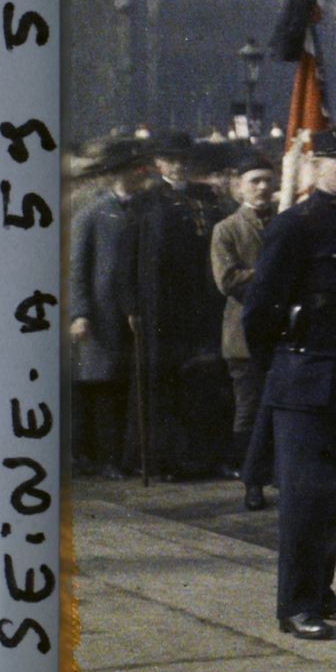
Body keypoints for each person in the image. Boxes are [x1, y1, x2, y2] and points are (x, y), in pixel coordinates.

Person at [242, 125, 336, 640]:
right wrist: (282, 365)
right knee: (301, 500)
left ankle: (321, 591)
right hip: (302, 378)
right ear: (315, 164)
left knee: (334, 498)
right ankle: (294, 606)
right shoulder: (294, 225)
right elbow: (260, 311)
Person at [136, 132, 230, 479]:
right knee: (167, 383)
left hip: (202, 301)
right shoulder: (150, 202)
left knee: (203, 382)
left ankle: (203, 456)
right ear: (159, 163)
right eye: (170, 159)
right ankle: (168, 460)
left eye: (182, 159)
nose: (177, 165)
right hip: (164, 305)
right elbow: (142, 260)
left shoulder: (204, 198)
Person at [69, 138, 146, 480]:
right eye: (132, 170)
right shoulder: (92, 214)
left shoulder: (143, 209)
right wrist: (79, 313)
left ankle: (119, 455)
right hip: (101, 315)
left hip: (133, 313)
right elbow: (78, 268)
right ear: (117, 175)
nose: (139, 175)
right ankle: (100, 457)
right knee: (102, 388)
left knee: (124, 388)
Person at [212, 151, 279, 508]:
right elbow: (228, 279)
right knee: (249, 409)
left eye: (268, 180)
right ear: (239, 188)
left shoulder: (284, 222)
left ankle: (279, 475)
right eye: (255, 181)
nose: (263, 187)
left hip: (283, 331)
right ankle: (251, 482)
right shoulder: (226, 230)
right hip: (244, 336)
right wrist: (269, 273)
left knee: (281, 407)